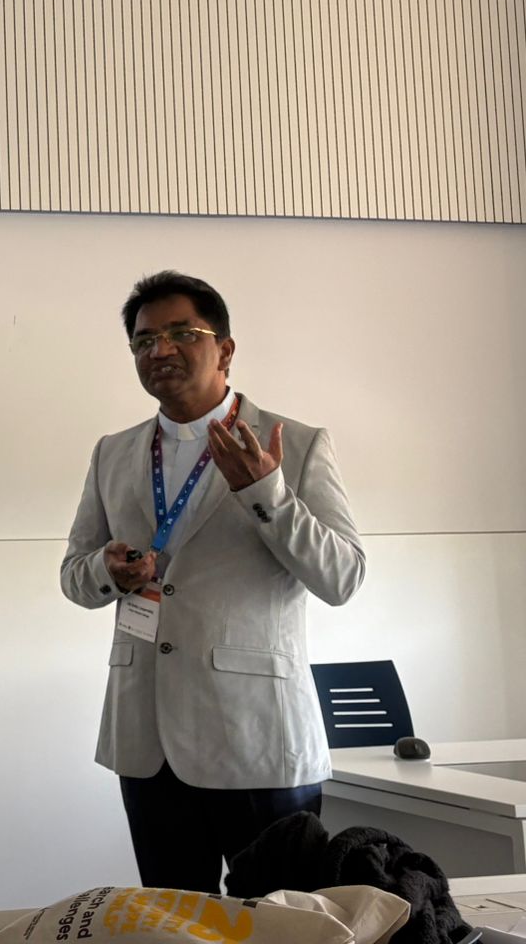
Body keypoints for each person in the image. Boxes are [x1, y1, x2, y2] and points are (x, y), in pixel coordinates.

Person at [59, 270, 365, 894]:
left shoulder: (297, 444)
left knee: (281, 925)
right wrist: (106, 572)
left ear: (224, 350)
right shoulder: (113, 453)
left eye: (182, 334)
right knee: (178, 925)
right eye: (144, 340)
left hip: (258, 738)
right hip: (147, 740)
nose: (160, 350)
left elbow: (342, 576)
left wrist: (266, 492)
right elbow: (74, 575)